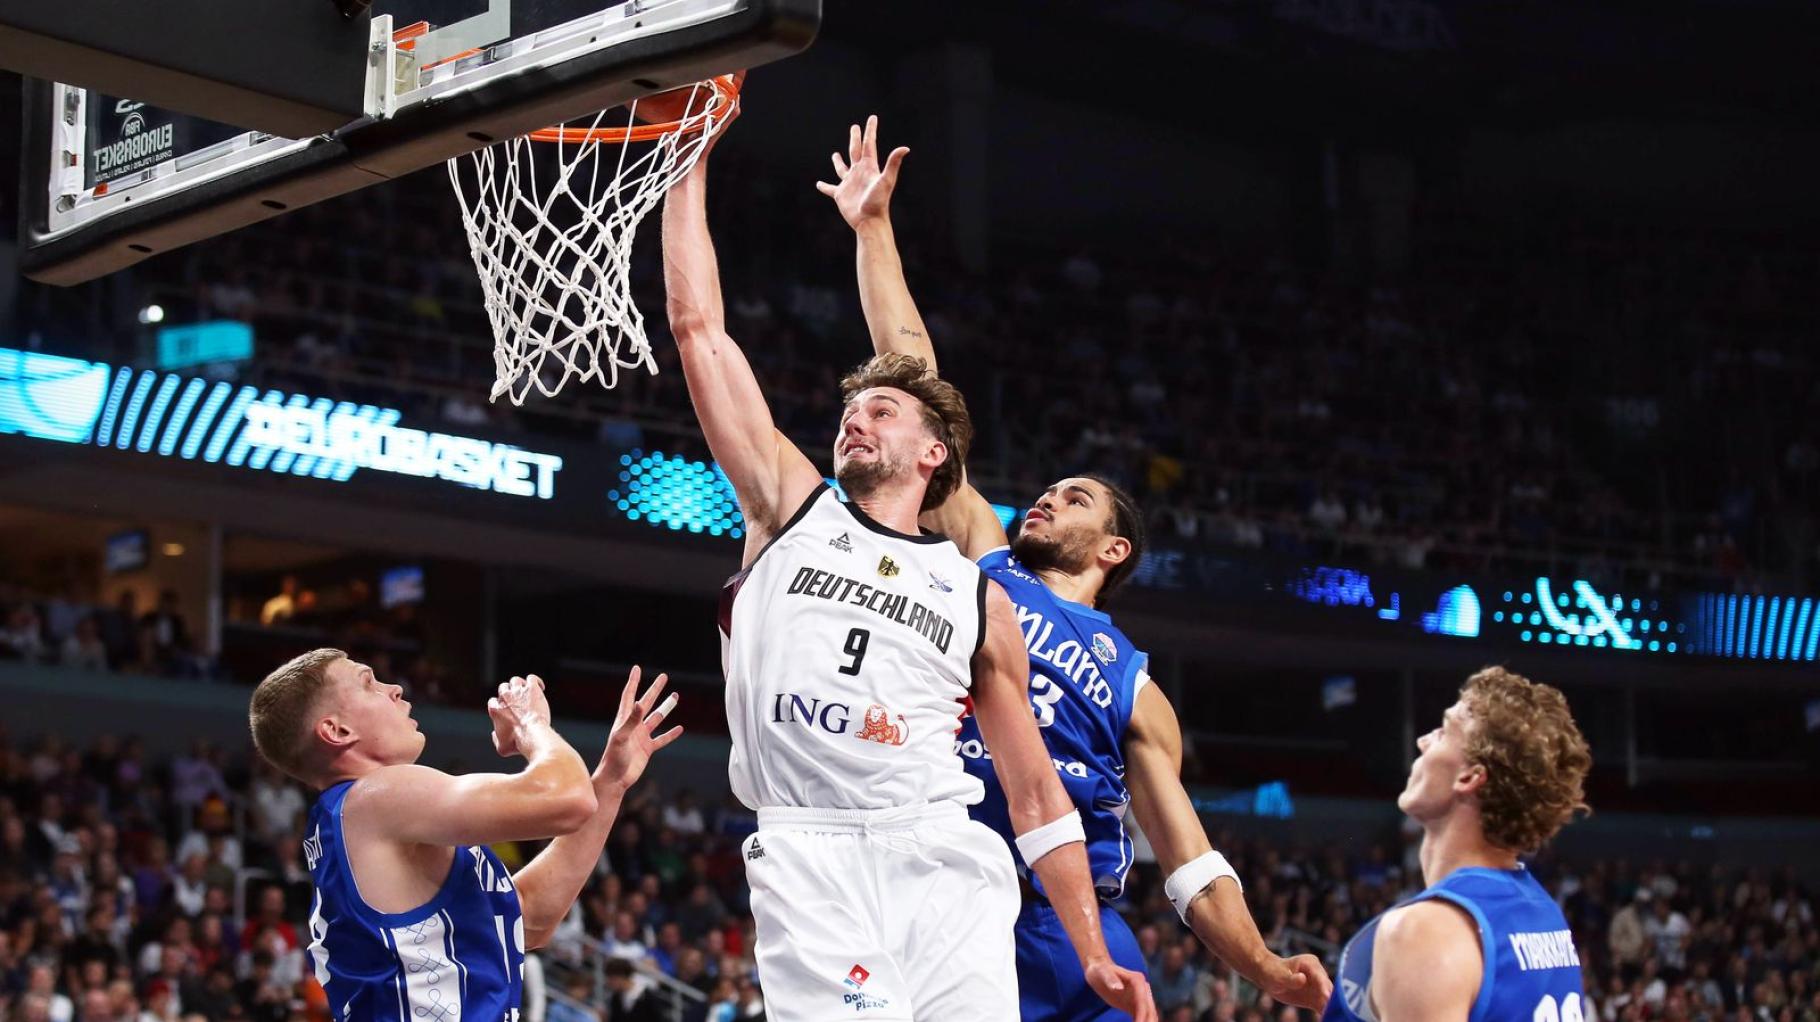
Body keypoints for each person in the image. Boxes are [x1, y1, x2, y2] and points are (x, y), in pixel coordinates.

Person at [818, 115, 1332, 1021]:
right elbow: (917, 382)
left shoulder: (1136, 687)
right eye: (1048, 491)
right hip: (942, 886)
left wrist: (1262, 965)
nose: (1046, 500)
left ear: (1113, 551)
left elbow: (1190, 857)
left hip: (1070, 924)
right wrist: (874, 232)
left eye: (1075, 498)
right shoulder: (986, 562)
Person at [657, 88, 1153, 1022]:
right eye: (851, 408)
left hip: (944, 853)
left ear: (934, 457)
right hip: (811, 849)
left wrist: (1092, 950)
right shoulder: (787, 505)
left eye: (881, 411)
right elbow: (700, 332)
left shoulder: (976, 587)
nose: (857, 414)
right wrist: (686, 161)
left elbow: (1036, 789)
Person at [247, 648, 681, 1022]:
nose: (393, 689)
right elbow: (566, 798)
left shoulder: (363, 820)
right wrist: (531, 724)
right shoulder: (376, 797)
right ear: (337, 731)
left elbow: (528, 918)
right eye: (369, 684)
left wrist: (609, 783)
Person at [1319, 667, 1593, 1021]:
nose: (1423, 741)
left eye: (1444, 731)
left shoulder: (1426, 931)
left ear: (1469, 777)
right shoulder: (1543, 911)